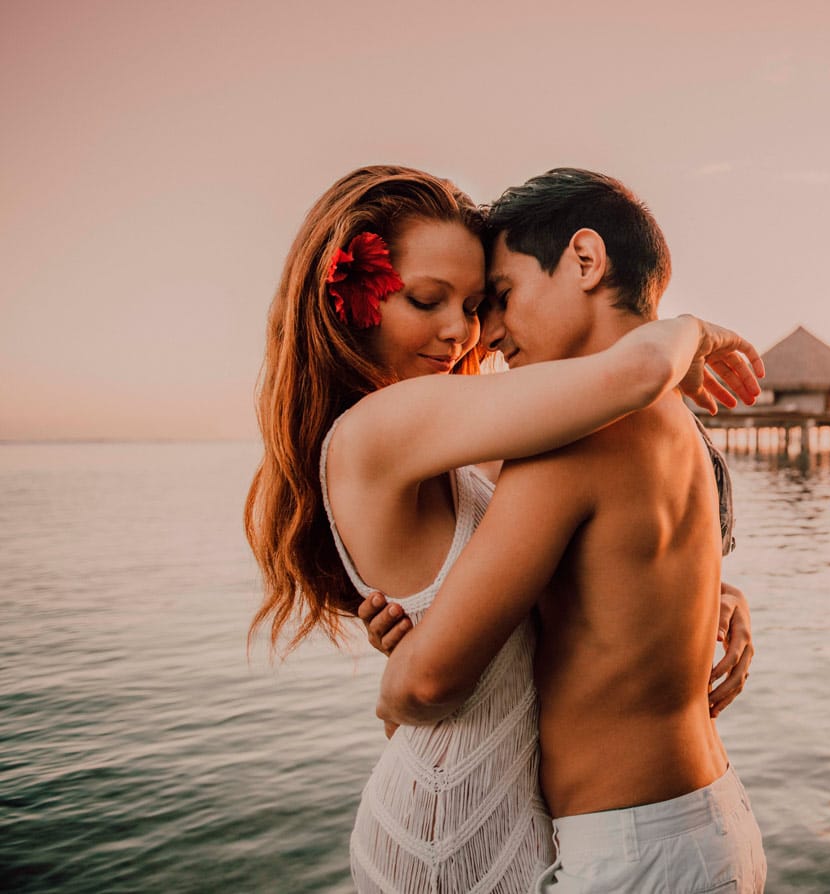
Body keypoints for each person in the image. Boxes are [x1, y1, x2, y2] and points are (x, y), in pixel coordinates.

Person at [244, 165, 764, 893]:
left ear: (584, 262)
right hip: (461, 830)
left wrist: (703, 590)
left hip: (547, 827)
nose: (470, 333)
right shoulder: (387, 427)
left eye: (485, 301)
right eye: (430, 301)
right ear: (345, 302)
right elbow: (424, 687)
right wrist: (687, 329)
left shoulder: (506, 433)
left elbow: (607, 548)